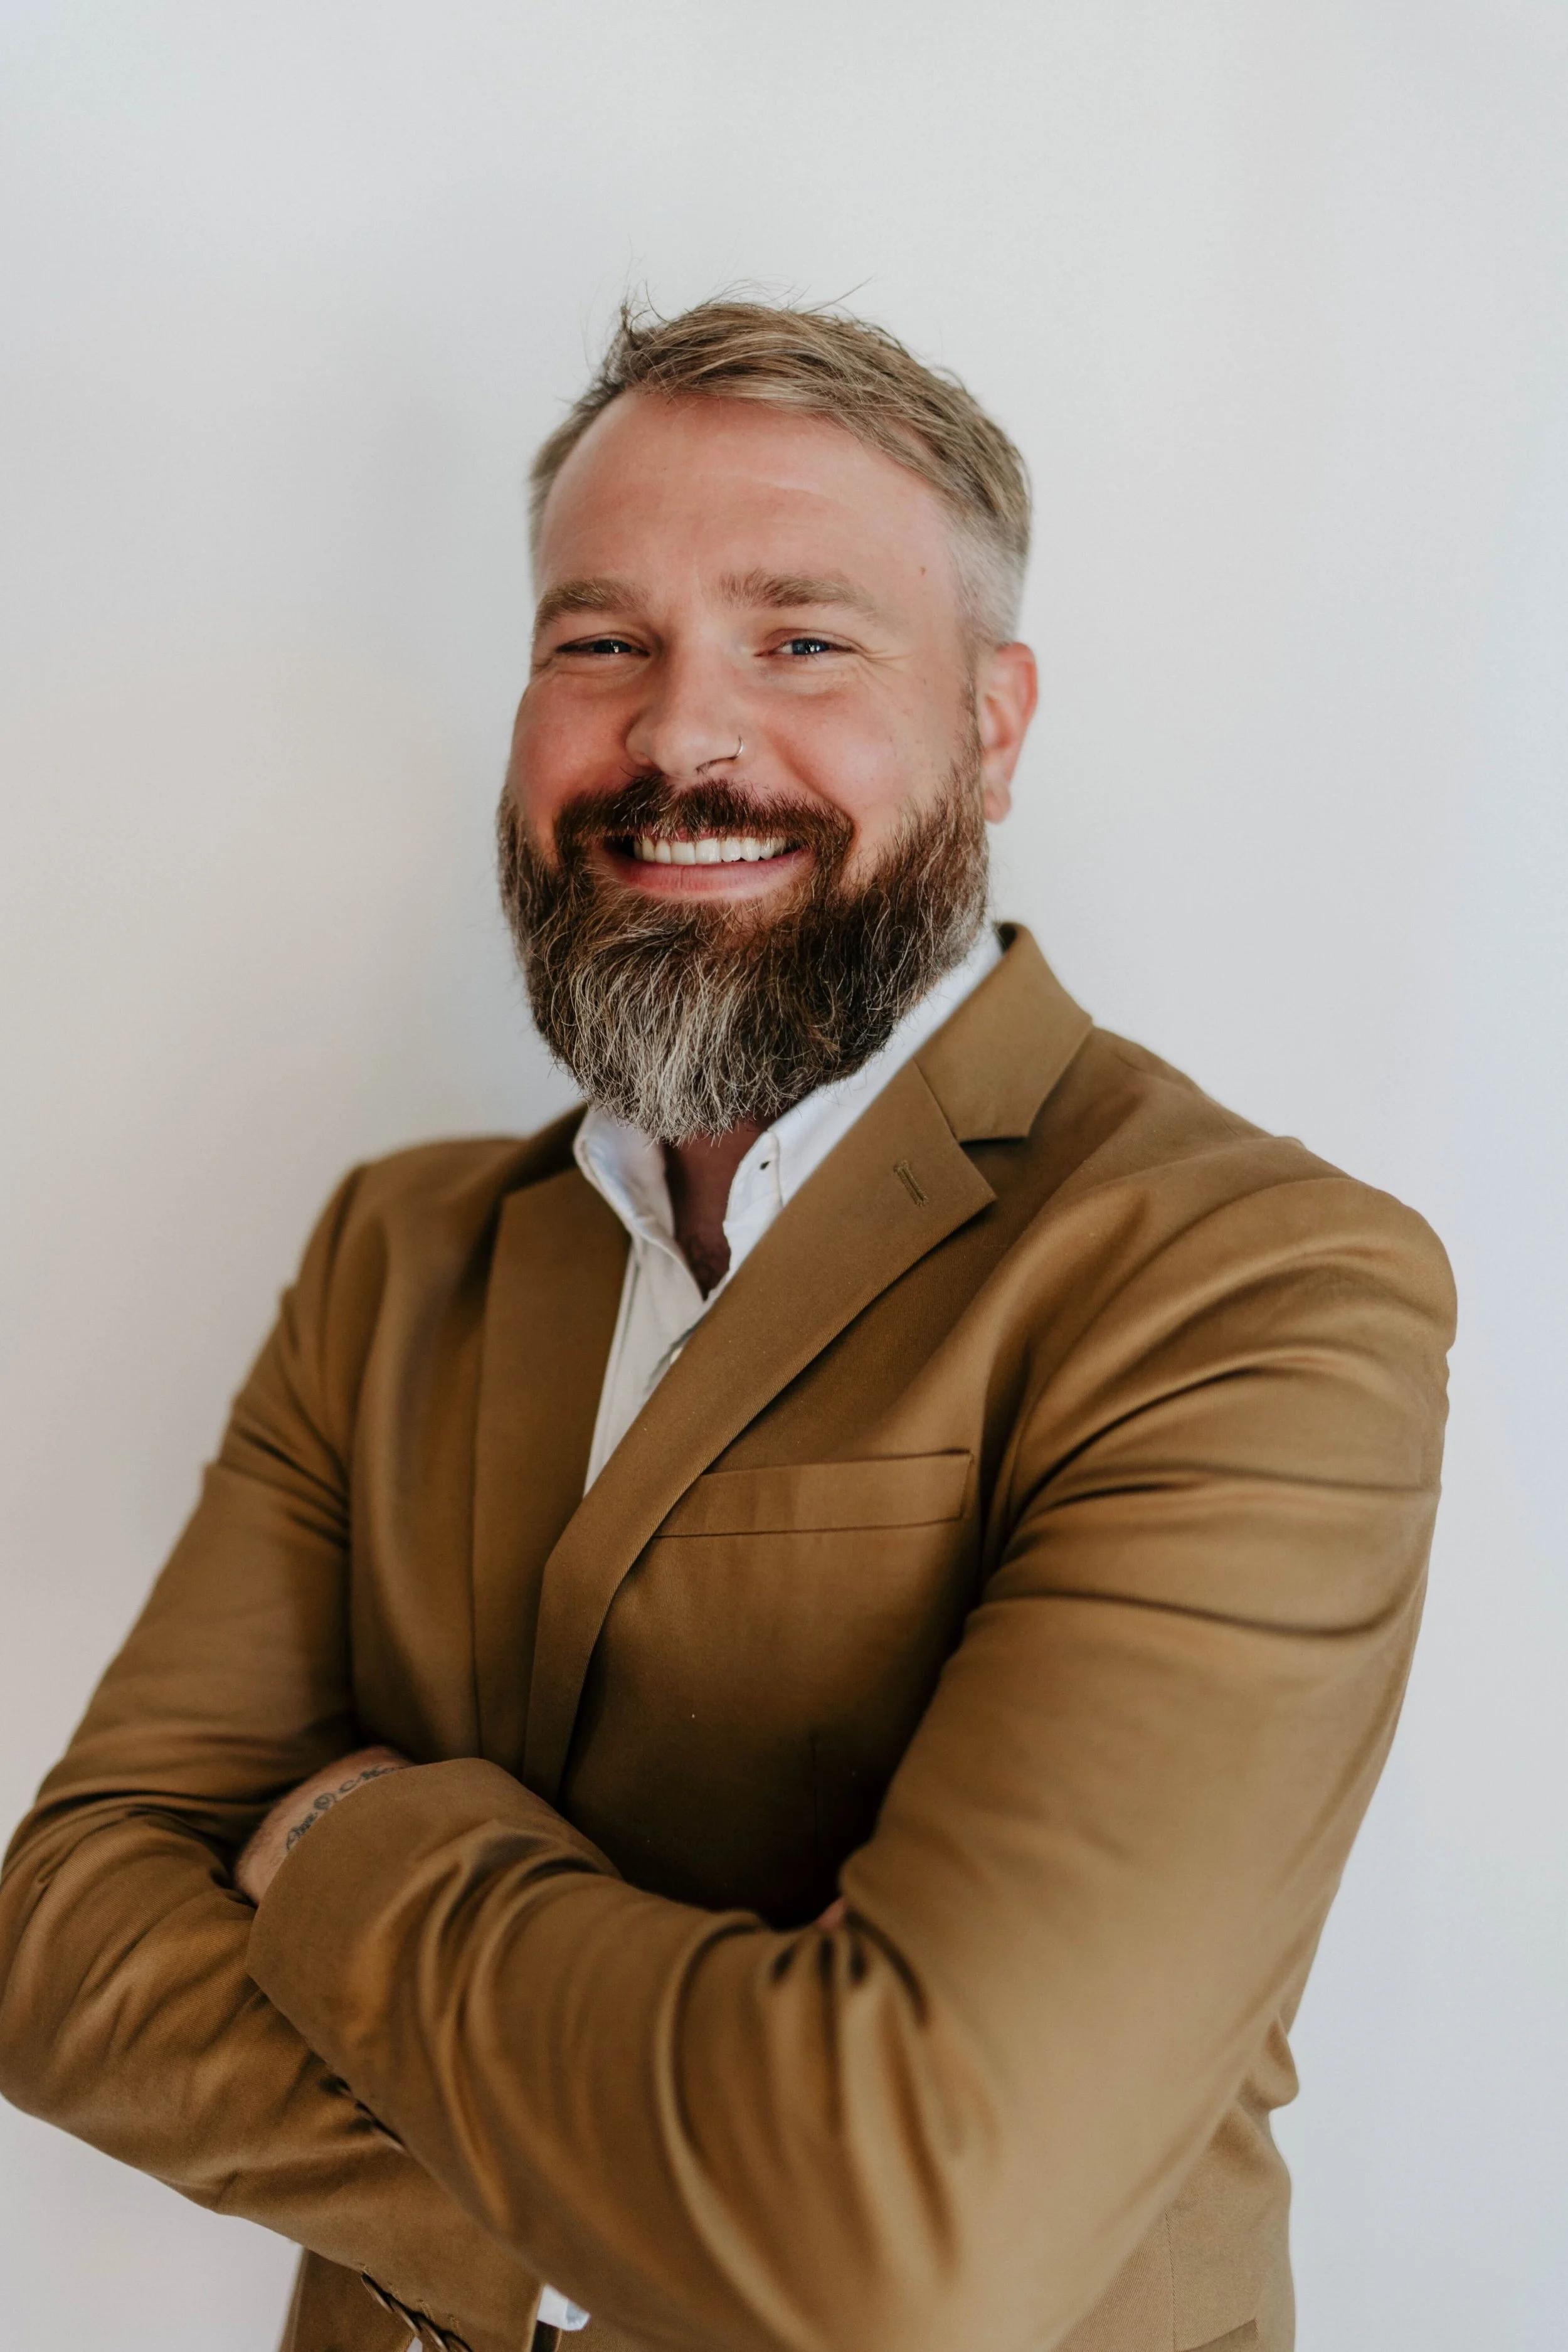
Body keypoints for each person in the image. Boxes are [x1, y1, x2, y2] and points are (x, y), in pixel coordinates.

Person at [0, 299, 1453, 2352]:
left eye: (802, 641)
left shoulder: (1248, 1282)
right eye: (600, 641)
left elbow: (901, 2232)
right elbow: (67, 1941)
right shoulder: (400, 1250)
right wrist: (681, 2200)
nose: (682, 739)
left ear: (993, 725)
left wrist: (340, 1835)